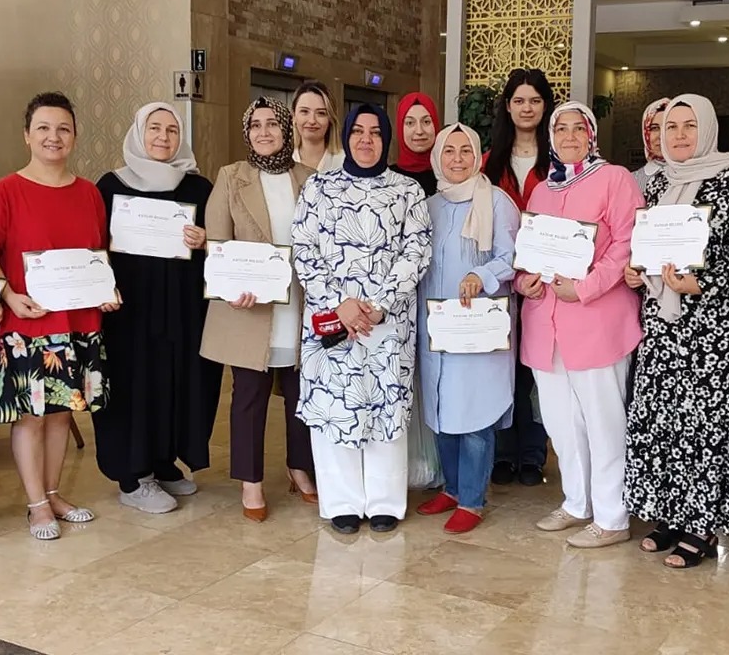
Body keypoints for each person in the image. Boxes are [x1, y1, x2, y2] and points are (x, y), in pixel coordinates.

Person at [623, 94, 729, 567]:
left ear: (707, 130)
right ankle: (670, 516)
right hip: (663, 327)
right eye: (670, 127)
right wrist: (636, 271)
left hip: (712, 331)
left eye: (689, 125)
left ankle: (701, 525)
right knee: (664, 421)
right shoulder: (660, 182)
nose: (679, 135)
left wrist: (701, 284)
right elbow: (647, 245)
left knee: (705, 426)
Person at [0, 92, 116, 541]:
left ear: (74, 136)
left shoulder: (89, 193)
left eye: (63, 129)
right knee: (32, 416)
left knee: (62, 413)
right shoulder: (3, 192)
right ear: (27, 135)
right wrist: (8, 294)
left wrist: (107, 289)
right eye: (43, 128)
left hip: (80, 324)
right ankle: (36, 505)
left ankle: (54, 493)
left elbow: (98, 254)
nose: (53, 137)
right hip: (28, 323)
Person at [292, 103, 431, 534]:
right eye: (358, 131)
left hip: (387, 321)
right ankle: (342, 502)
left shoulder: (407, 191)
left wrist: (380, 303)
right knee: (337, 407)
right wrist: (341, 304)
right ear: (346, 136)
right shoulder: (319, 187)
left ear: (386, 139)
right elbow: (304, 249)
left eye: (375, 132)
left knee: (385, 407)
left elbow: (416, 250)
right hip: (333, 320)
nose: (366, 140)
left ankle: (385, 501)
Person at [516, 101, 643, 549]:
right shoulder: (541, 190)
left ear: (591, 134)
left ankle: (612, 516)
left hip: (596, 322)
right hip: (545, 324)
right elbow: (527, 250)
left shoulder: (615, 179)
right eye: (561, 129)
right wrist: (525, 281)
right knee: (560, 422)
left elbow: (627, 243)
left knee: (603, 422)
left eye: (578, 128)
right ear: (551, 137)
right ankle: (576, 502)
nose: (569, 136)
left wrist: (586, 287)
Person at [93, 102, 221, 515]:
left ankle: (163, 462)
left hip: (182, 309)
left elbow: (220, 244)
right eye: (154, 128)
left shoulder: (198, 188)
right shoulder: (111, 186)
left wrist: (205, 240)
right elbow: (94, 244)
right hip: (129, 311)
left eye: (171, 130)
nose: (163, 137)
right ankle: (133, 477)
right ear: (138, 133)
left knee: (174, 382)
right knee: (133, 385)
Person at [201, 97, 318, 522]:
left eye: (272, 124)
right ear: (246, 133)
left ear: (287, 130)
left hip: (300, 304)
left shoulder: (309, 178)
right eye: (255, 125)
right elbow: (217, 242)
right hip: (249, 308)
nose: (264, 132)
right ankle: (250, 481)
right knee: (249, 395)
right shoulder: (231, 177)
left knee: (301, 393)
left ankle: (299, 467)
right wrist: (232, 286)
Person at [414, 124, 520, 534]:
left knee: (476, 413)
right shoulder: (428, 206)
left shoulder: (497, 202)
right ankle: (453, 488)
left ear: (478, 156)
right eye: (449, 151)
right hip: (438, 328)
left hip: (479, 327)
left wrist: (481, 274)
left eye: (465, 151)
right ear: (437, 157)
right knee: (442, 410)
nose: (457, 159)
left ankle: (473, 500)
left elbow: (513, 257)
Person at [481, 67, 555, 486]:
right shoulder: (489, 163)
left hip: (548, 282)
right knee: (503, 367)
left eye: (535, 101)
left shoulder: (559, 160)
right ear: (507, 107)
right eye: (519, 100)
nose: (527, 108)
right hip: (502, 282)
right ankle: (505, 452)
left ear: (545, 107)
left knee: (537, 371)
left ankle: (533, 454)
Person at [390, 92, 440, 196]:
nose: (419, 131)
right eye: (410, 123)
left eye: (426, 122)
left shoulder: (449, 174)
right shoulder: (387, 179)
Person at [292, 80, 345, 174]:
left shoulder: (344, 162)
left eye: (321, 113)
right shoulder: (284, 162)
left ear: (330, 119)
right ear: (294, 116)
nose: (312, 121)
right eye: (304, 111)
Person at [631, 97, 670, 192]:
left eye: (669, 128)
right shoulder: (630, 181)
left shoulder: (695, 177)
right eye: (654, 128)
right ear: (645, 133)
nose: (661, 136)